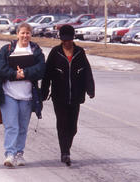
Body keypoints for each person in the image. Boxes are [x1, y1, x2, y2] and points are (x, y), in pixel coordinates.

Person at [41, 25, 95, 166]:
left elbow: (87, 72)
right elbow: (47, 74)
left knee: (73, 127)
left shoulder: (79, 52)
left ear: (73, 38)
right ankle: (65, 152)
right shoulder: (55, 53)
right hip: (59, 96)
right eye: (64, 40)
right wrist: (44, 91)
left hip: (76, 96)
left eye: (69, 39)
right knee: (62, 125)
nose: (67, 42)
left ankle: (66, 149)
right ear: (61, 39)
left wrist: (90, 89)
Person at [0, 23, 45, 167]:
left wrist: (26, 73)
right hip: (8, 93)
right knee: (12, 126)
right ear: (17, 34)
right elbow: (1, 68)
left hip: (27, 95)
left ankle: (19, 154)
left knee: (23, 127)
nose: (25, 36)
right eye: (22, 33)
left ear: (31, 34)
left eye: (28, 33)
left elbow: (41, 69)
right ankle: (9, 154)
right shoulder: (7, 50)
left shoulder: (35, 50)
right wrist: (15, 74)